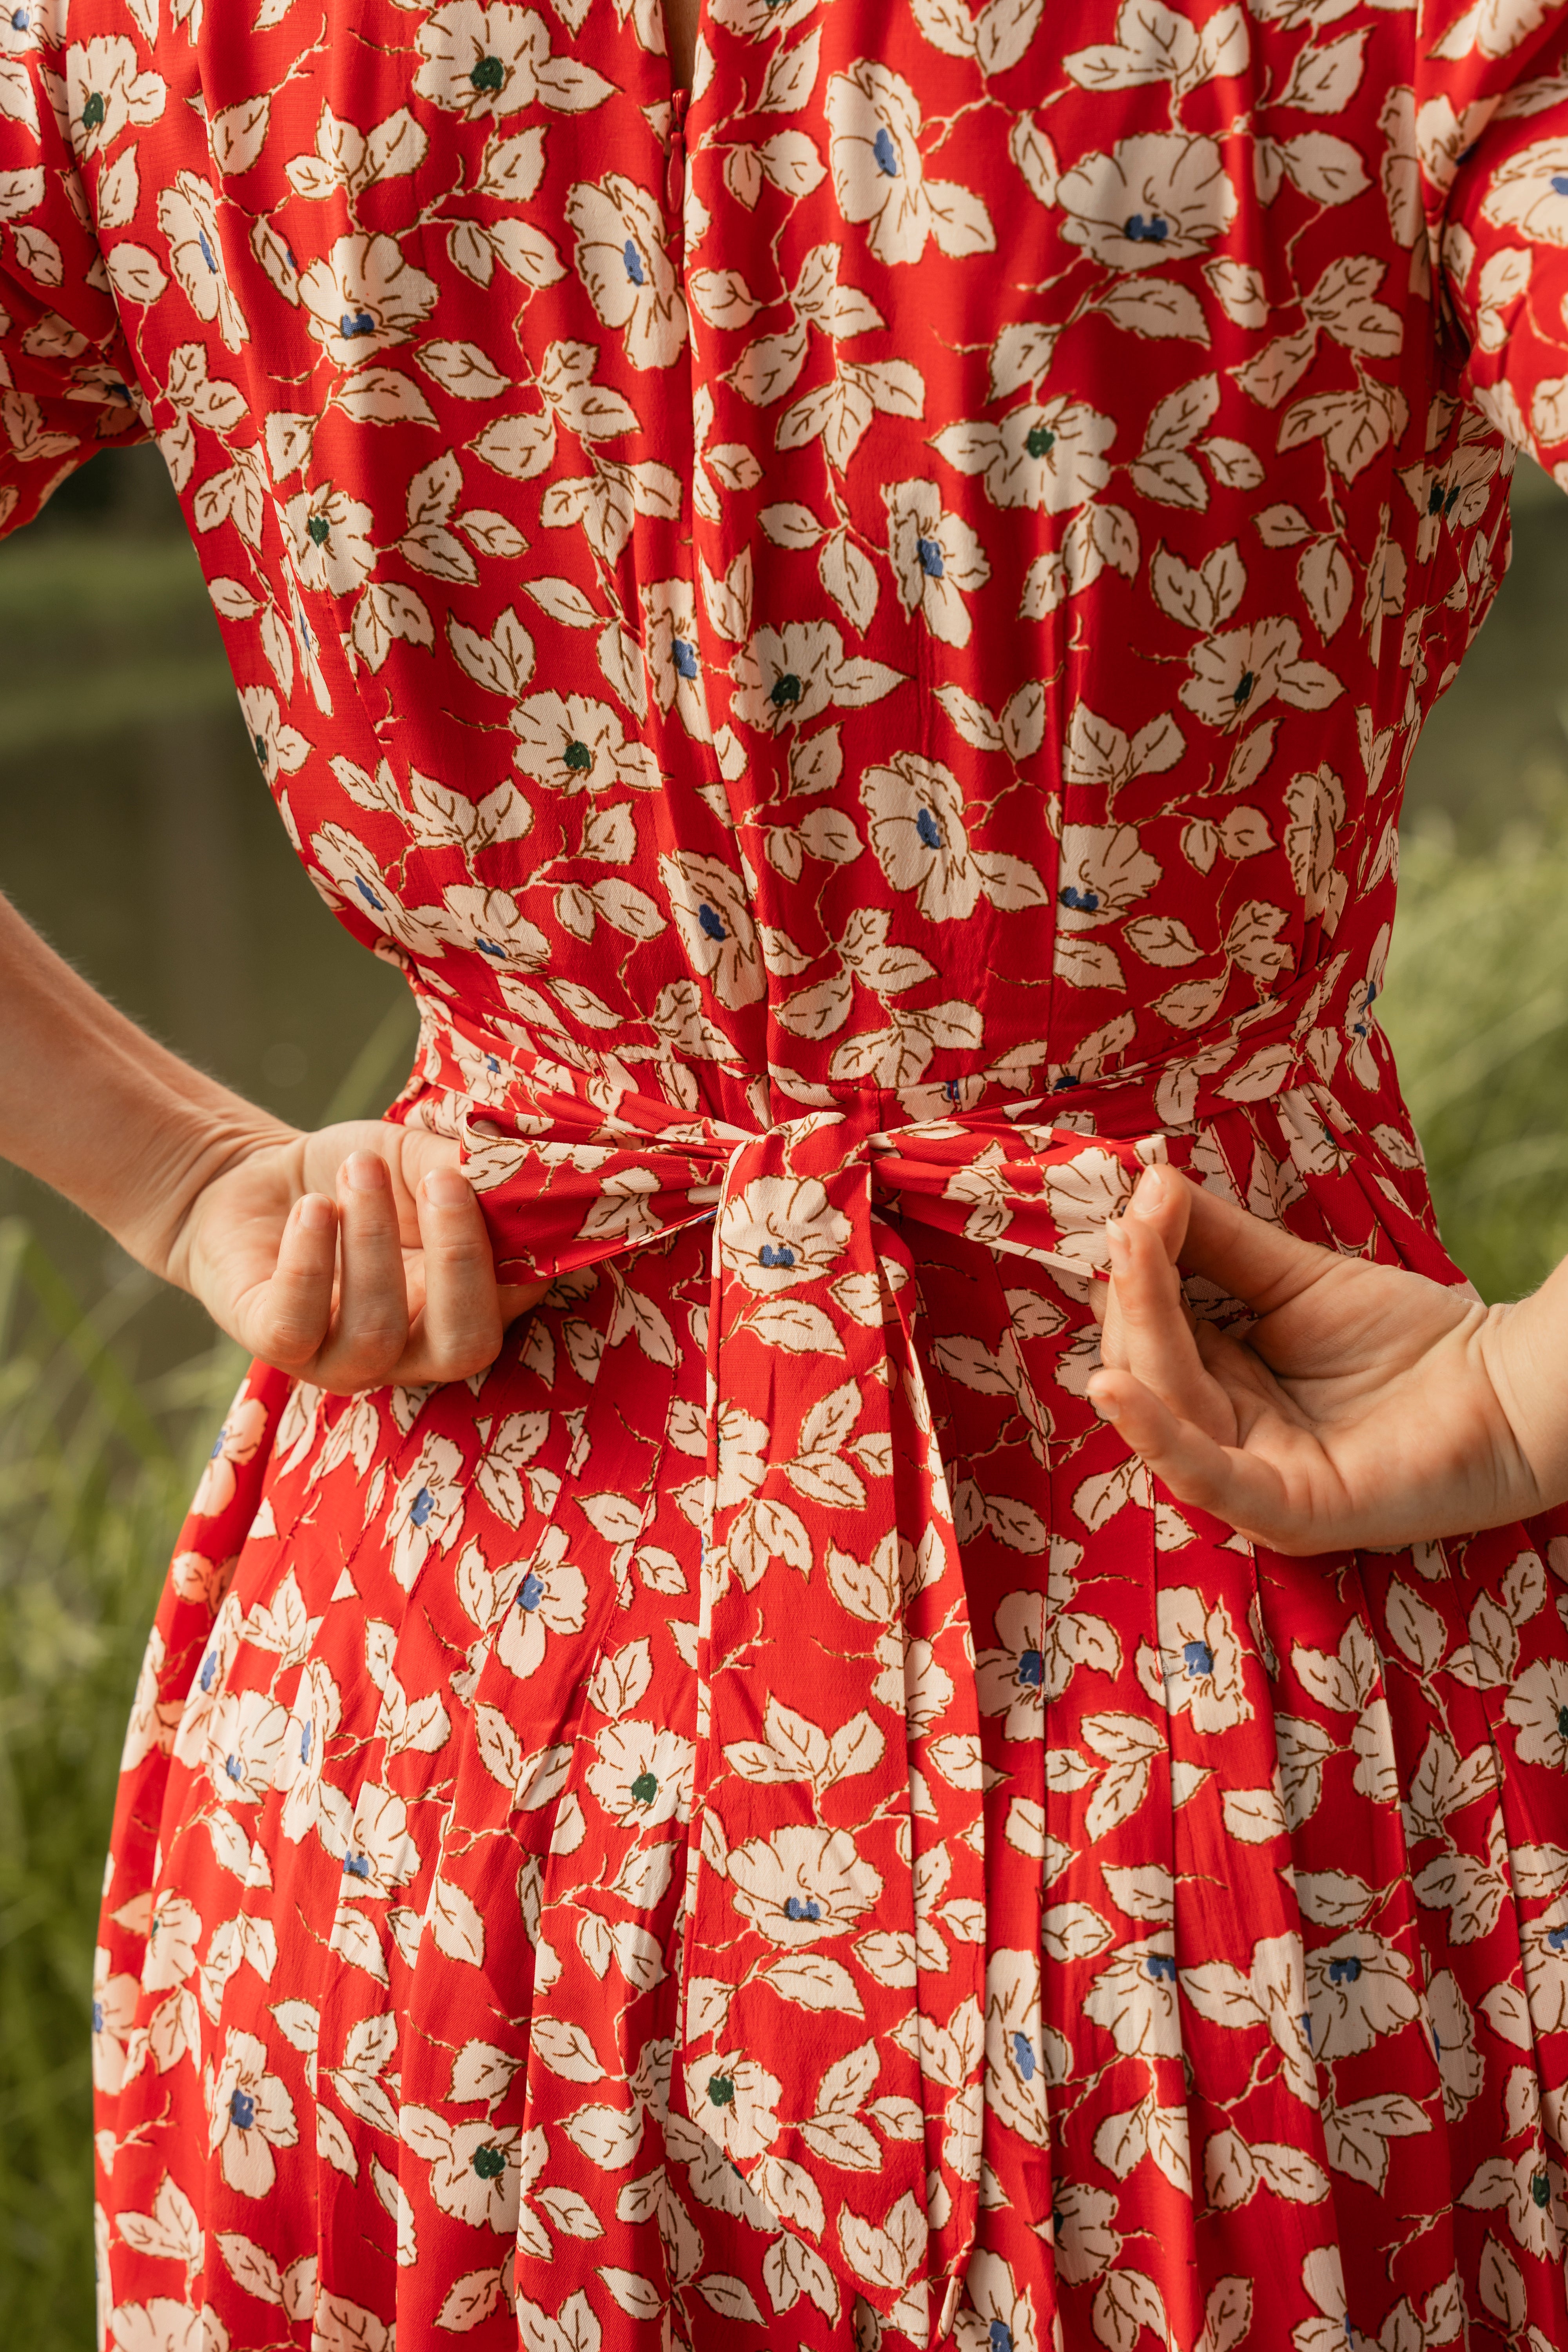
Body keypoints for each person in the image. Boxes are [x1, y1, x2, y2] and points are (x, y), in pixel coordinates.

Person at [2, 0, 1568, 2340]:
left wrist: (174, 1170)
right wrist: (1531, 1392)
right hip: (1248, 1778)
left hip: (421, 1792)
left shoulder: (145, 33)